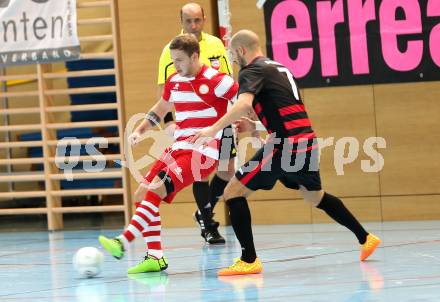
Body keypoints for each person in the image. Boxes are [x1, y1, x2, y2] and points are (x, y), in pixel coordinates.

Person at [191, 29, 381, 276]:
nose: (235, 61)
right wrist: (255, 126)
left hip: (286, 144)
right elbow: (283, 109)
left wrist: (212, 128)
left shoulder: (252, 70)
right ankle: (365, 238)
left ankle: (249, 260)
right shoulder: (281, 68)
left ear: (241, 50)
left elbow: (244, 104)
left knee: (232, 192)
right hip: (307, 141)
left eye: (234, 56)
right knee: (315, 196)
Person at [99, 34, 238, 274]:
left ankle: (123, 241)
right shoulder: (174, 80)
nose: (175, 66)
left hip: (204, 151)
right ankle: (155, 256)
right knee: (142, 193)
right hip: (179, 147)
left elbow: (246, 101)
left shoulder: (217, 80)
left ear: (195, 56)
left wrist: (247, 122)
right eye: (173, 60)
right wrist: (141, 130)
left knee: (155, 189)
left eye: (180, 60)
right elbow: (161, 108)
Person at [133, 2, 235, 244]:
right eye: (188, 21)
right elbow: (165, 93)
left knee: (227, 170)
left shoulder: (215, 44)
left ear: (204, 19)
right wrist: (168, 123)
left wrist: (238, 114)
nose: (193, 25)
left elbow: (229, 80)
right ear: (181, 21)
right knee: (198, 172)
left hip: (222, 118)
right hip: (193, 124)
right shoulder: (171, 49)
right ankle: (208, 224)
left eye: (197, 20)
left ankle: (202, 212)